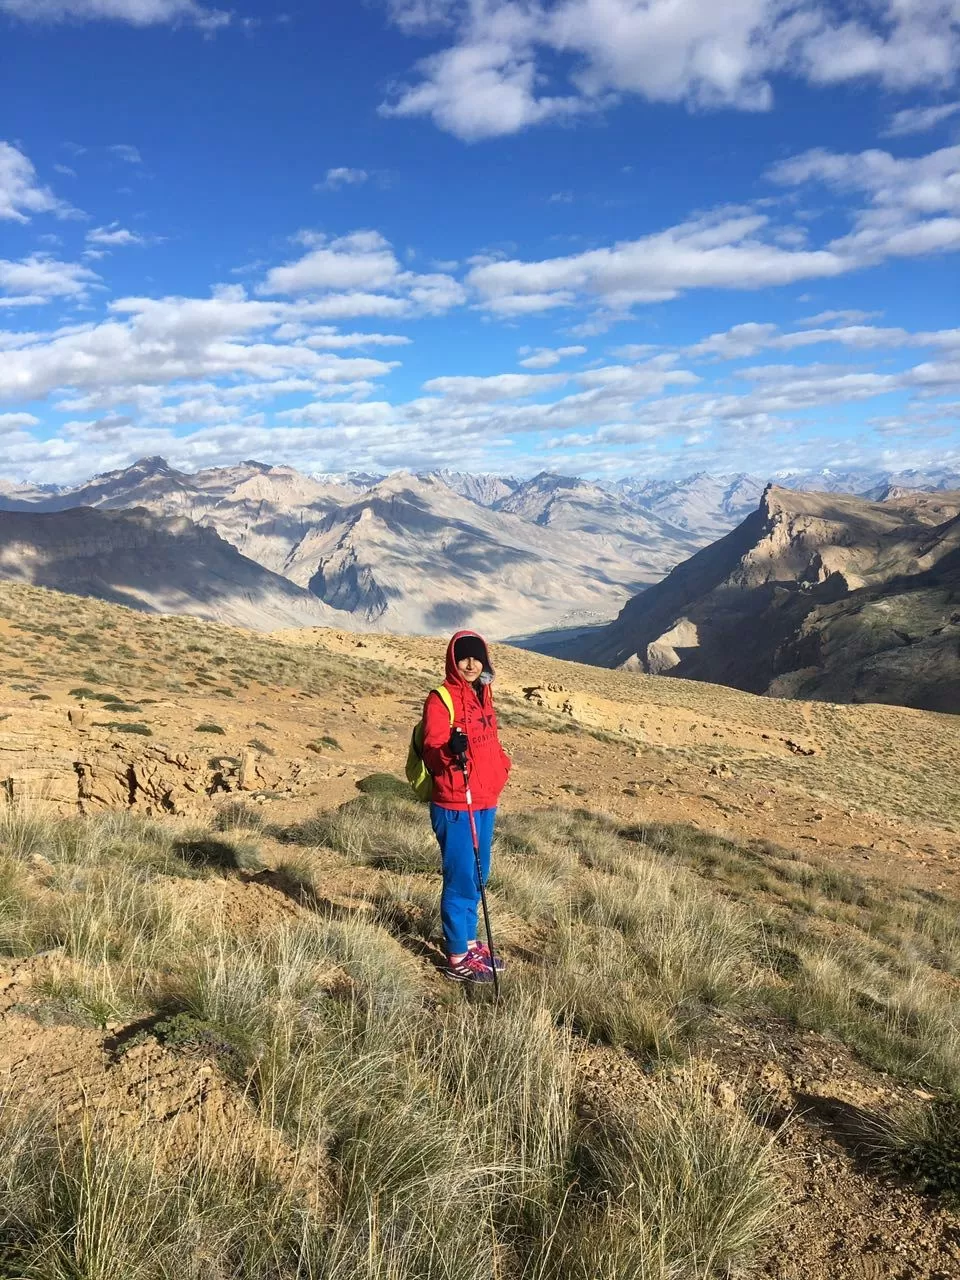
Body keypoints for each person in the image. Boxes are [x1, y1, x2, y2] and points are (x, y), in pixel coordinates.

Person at [421, 630, 512, 983]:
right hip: (457, 802)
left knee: (477, 875)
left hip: (484, 798)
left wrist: (501, 766)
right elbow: (432, 750)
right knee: (461, 877)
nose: (471, 664)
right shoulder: (440, 700)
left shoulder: (483, 695)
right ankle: (458, 955)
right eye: (464, 658)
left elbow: (490, 742)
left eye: (477, 657)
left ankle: (470, 942)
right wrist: (449, 750)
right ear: (452, 660)